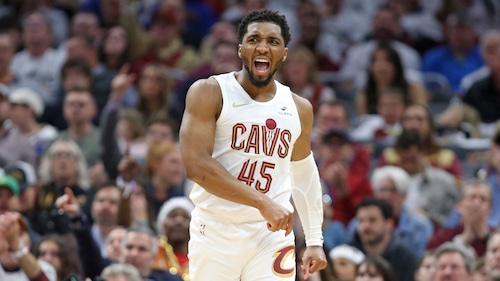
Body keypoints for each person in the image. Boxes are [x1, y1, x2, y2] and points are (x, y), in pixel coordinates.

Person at [179, 9, 327, 281]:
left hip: (271, 235)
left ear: (283, 53)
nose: (262, 47)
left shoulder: (299, 107)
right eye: (254, 39)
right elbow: (196, 166)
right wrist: (261, 202)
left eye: (272, 41)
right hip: (215, 229)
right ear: (240, 49)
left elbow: (304, 176)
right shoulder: (209, 92)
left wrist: (314, 239)